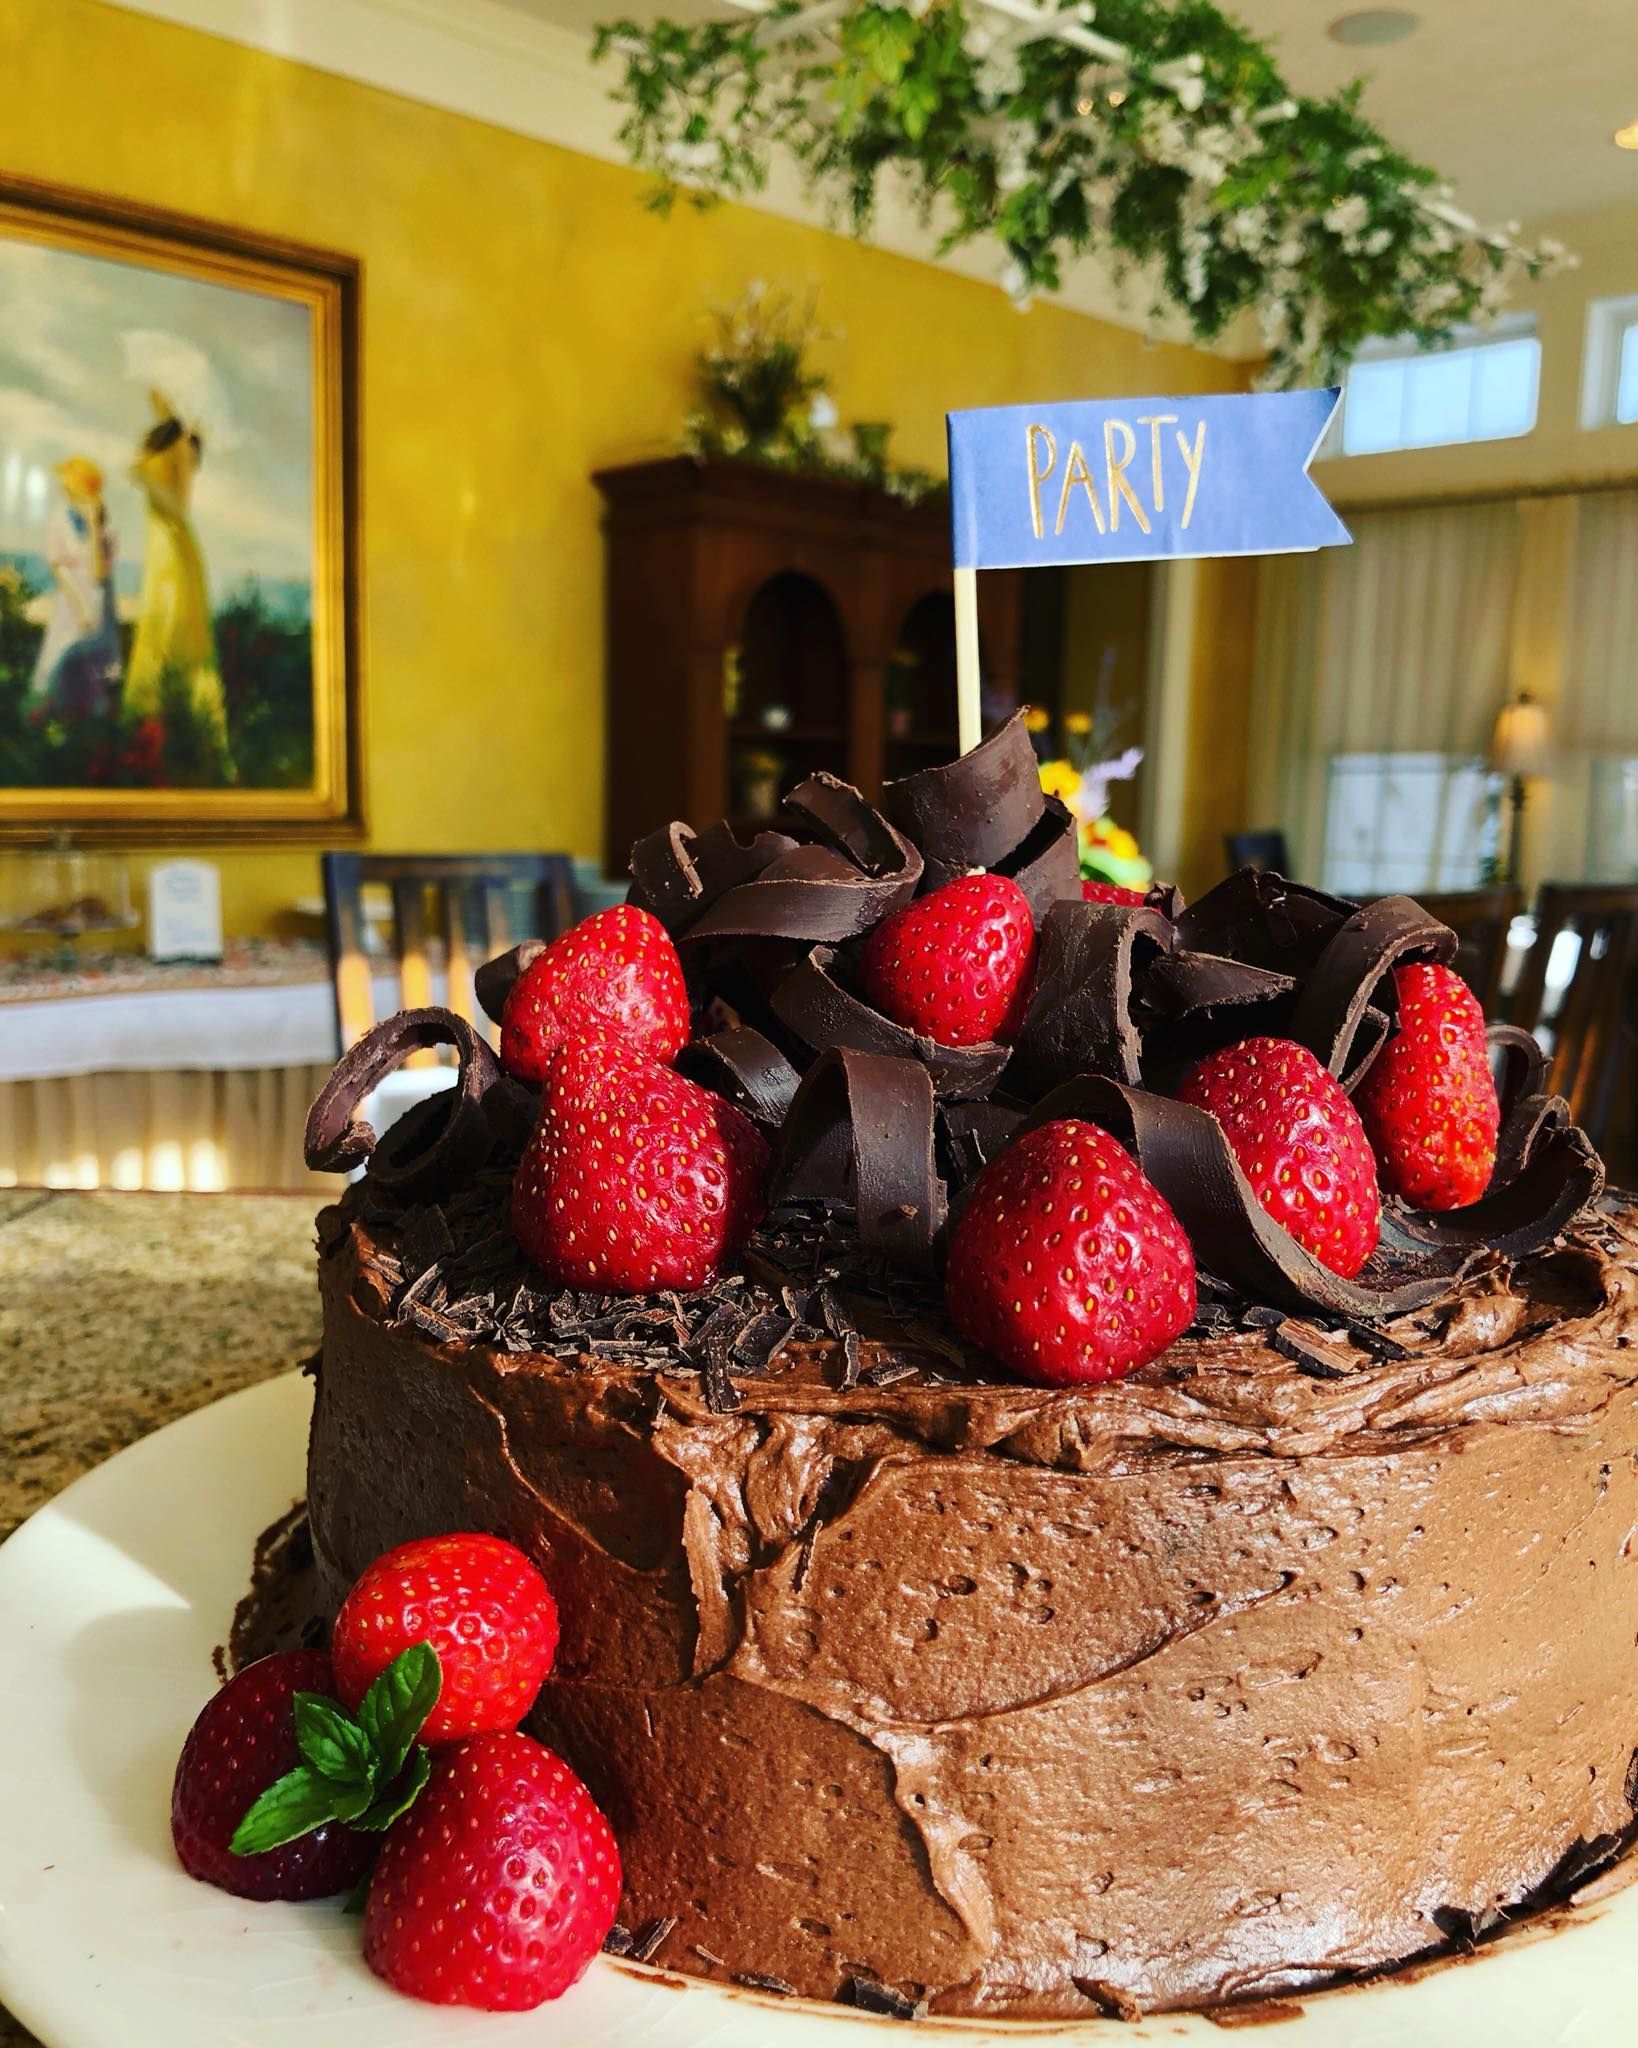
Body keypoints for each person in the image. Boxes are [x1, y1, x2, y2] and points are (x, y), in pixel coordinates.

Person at [125, 389, 234, 780]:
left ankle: (184, 739)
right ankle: (146, 737)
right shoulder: (160, 440)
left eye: (167, 391)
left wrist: (147, 481)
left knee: (172, 632)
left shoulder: (184, 445)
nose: (158, 397)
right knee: (155, 633)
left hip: (174, 553)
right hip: (159, 554)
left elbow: (179, 508)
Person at [27, 456, 121, 722]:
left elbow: (99, 573)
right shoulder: (59, 521)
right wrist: (80, 607)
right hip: (73, 602)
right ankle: (51, 716)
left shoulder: (103, 529)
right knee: (60, 656)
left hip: (100, 602)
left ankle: (89, 723)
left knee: (94, 667)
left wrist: (93, 525)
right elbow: (59, 570)